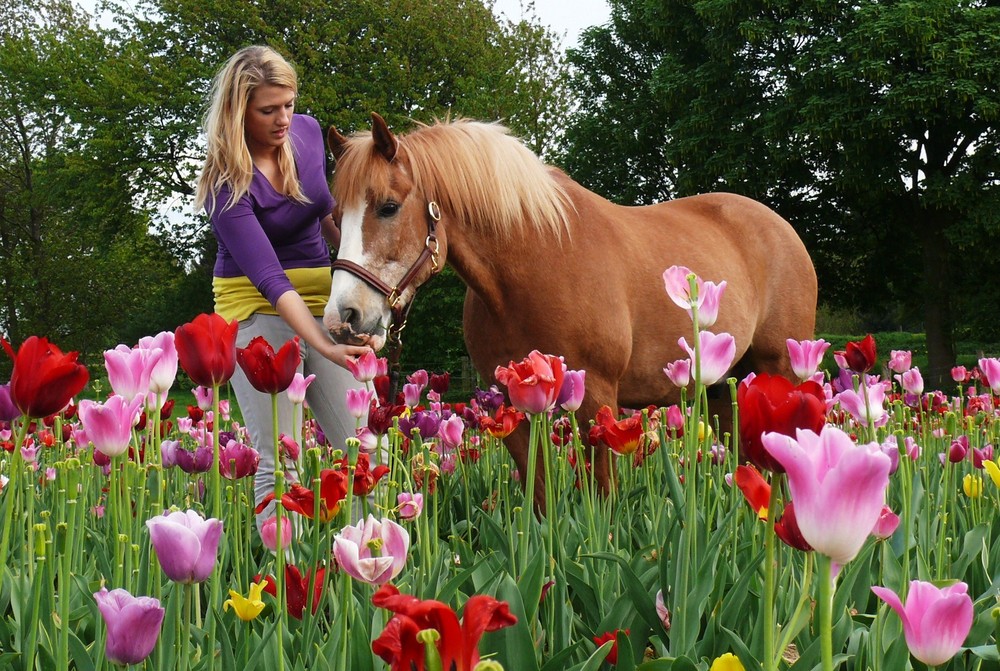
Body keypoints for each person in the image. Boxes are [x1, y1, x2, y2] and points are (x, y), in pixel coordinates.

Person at [194, 45, 371, 529]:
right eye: (268, 110)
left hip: (322, 295)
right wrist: (324, 348)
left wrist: (357, 282)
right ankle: (283, 586)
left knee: (362, 447)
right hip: (256, 310)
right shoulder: (224, 186)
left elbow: (328, 216)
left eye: (289, 104)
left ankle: (370, 569)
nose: (284, 119)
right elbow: (271, 281)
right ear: (238, 111)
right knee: (281, 462)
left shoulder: (309, 134)